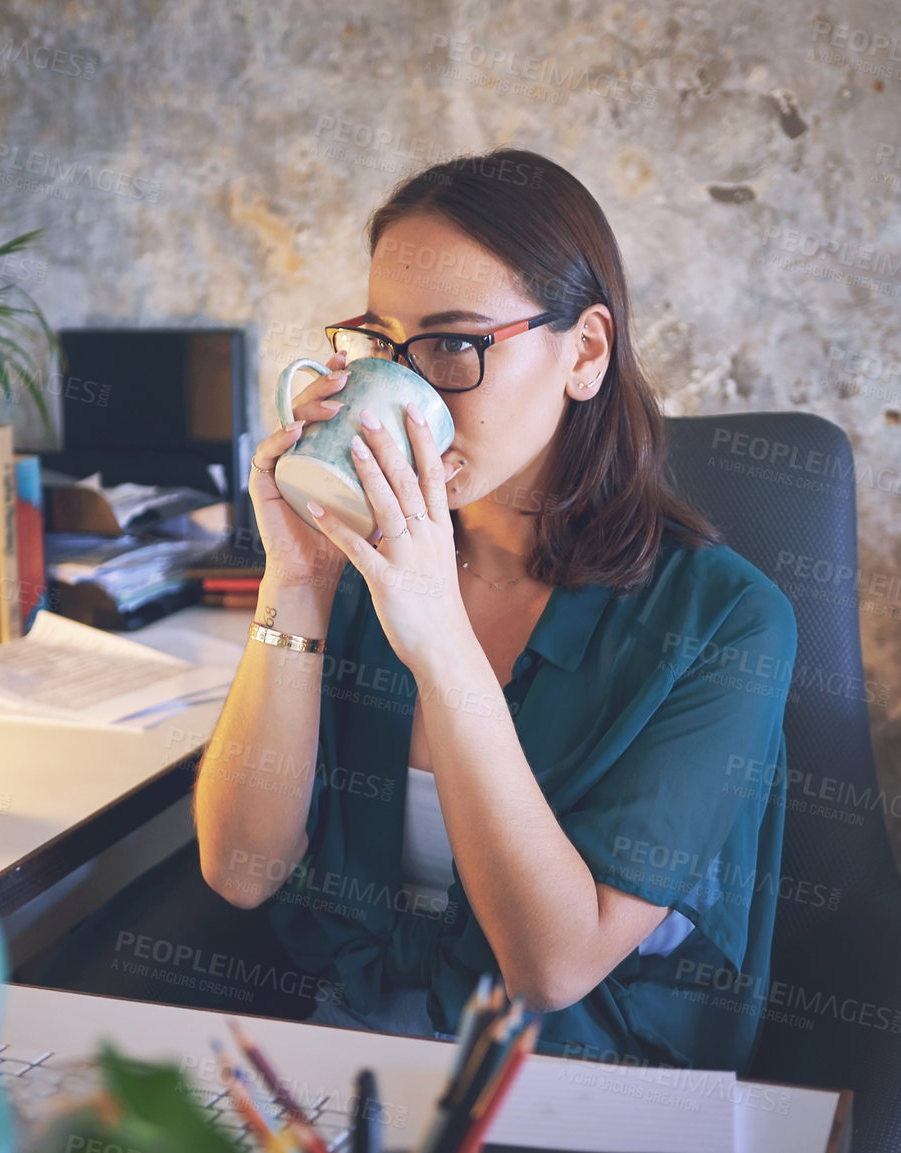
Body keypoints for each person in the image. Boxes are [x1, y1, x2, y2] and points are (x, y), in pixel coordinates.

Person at [192, 147, 797, 1072]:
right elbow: (240, 870)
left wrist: (440, 642)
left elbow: (552, 965)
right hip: (359, 1057)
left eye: (454, 343)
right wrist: (298, 582)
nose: (409, 386)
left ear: (585, 352)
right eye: (383, 345)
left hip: (586, 1083)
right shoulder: (355, 568)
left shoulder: (728, 623)